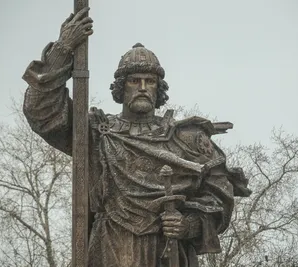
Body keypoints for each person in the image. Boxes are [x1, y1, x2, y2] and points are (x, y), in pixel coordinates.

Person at [22, 7, 250, 267]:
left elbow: (220, 195)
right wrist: (62, 50)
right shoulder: (97, 133)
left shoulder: (186, 139)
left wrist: (189, 224)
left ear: (158, 89)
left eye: (149, 81)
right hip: (110, 248)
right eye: (134, 81)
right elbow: (42, 111)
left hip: (167, 251)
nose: (142, 87)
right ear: (121, 88)